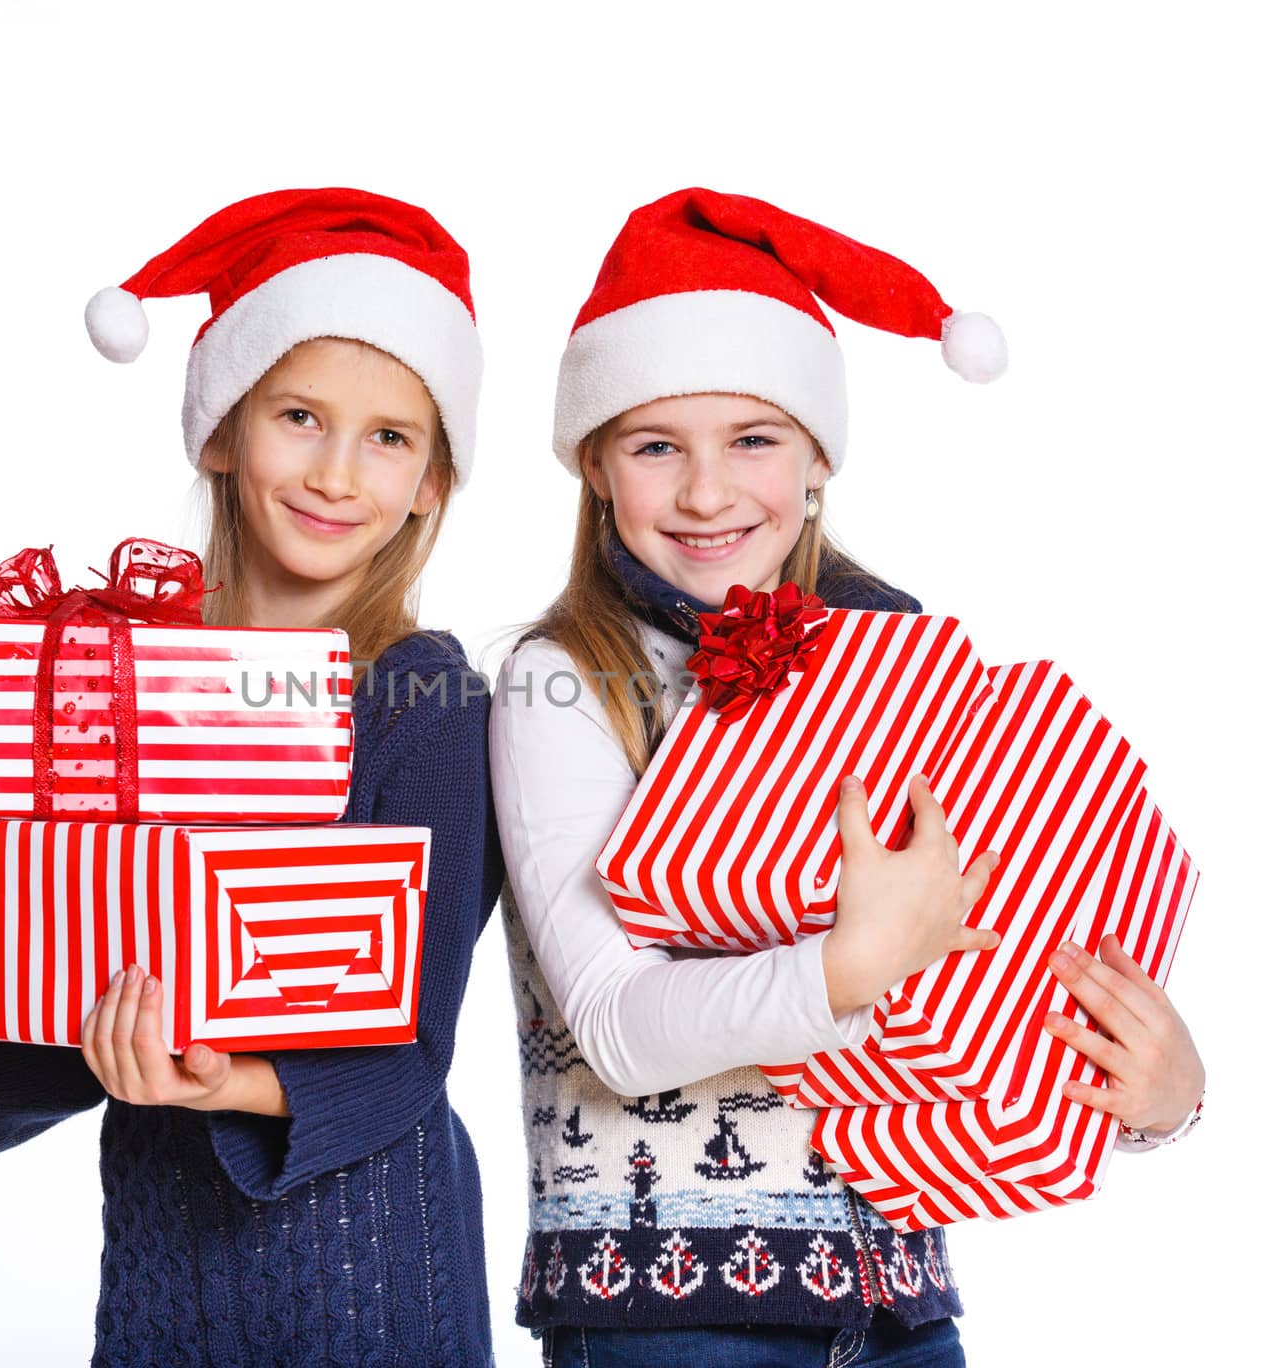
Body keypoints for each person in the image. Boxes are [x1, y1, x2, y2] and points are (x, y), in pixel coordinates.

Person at [0, 187, 505, 1368]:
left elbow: (411, 1059)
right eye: (300, 415)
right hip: (165, 1282)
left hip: (373, 1279)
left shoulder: (426, 705)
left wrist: (217, 1082)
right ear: (220, 429)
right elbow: (70, 997)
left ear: (432, 485)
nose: (339, 472)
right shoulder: (119, 687)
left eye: (390, 437)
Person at [489, 189, 1205, 1367]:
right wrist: (853, 963)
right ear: (597, 470)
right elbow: (614, 1028)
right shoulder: (565, 681)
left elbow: (994, 988)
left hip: (903, 1303)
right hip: (676, 1316)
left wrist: (1159, 1100)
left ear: (818, 458)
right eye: (656, 445)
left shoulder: (904, 657)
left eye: (753, 440)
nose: (709, 493)